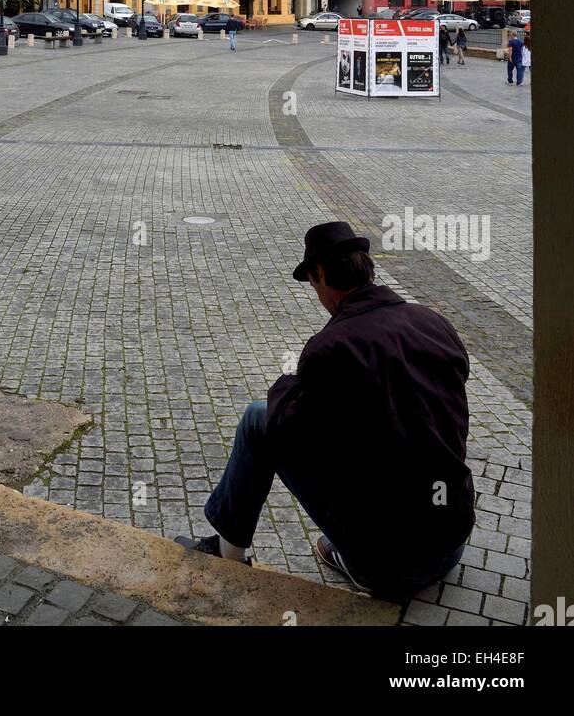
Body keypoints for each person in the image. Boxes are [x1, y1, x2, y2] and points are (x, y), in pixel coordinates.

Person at [176, 222, 474, 599]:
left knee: (257, 419)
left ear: (319, 275)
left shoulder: (331, 347)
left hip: (392, 565)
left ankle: (228, 552)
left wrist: (293, 380)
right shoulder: (434, 323)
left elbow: (286, 425)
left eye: (314, 283)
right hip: (451, 537)